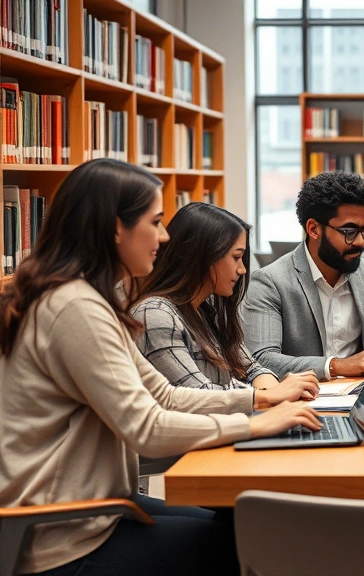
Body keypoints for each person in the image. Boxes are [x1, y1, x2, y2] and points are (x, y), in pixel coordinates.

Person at [0, 159, 321, 576]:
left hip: (91, 511)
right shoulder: (75, 308)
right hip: (61, 538)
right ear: (117, 228)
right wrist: (256, 422)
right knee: (249, 539)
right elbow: (147, 428)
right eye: (155, 222)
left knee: (243, 522)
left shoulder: (88, 301)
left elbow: (165, 395)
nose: (165, 236)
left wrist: (258, 402)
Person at [132, 202, 319, 396]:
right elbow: (198, 395)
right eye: (236, 257)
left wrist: (276, 394)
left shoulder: (207, 310)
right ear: (204, 256)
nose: (242, 269)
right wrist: (269, 395)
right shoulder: (155, 314)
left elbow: (253, 369)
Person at [242, 171, 364, 380]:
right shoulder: (270, 282)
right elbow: (261, 358)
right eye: (349, 231)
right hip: (301, 403)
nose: (361, 242)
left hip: (362, 398)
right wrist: (336, 366)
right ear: (314, 229)